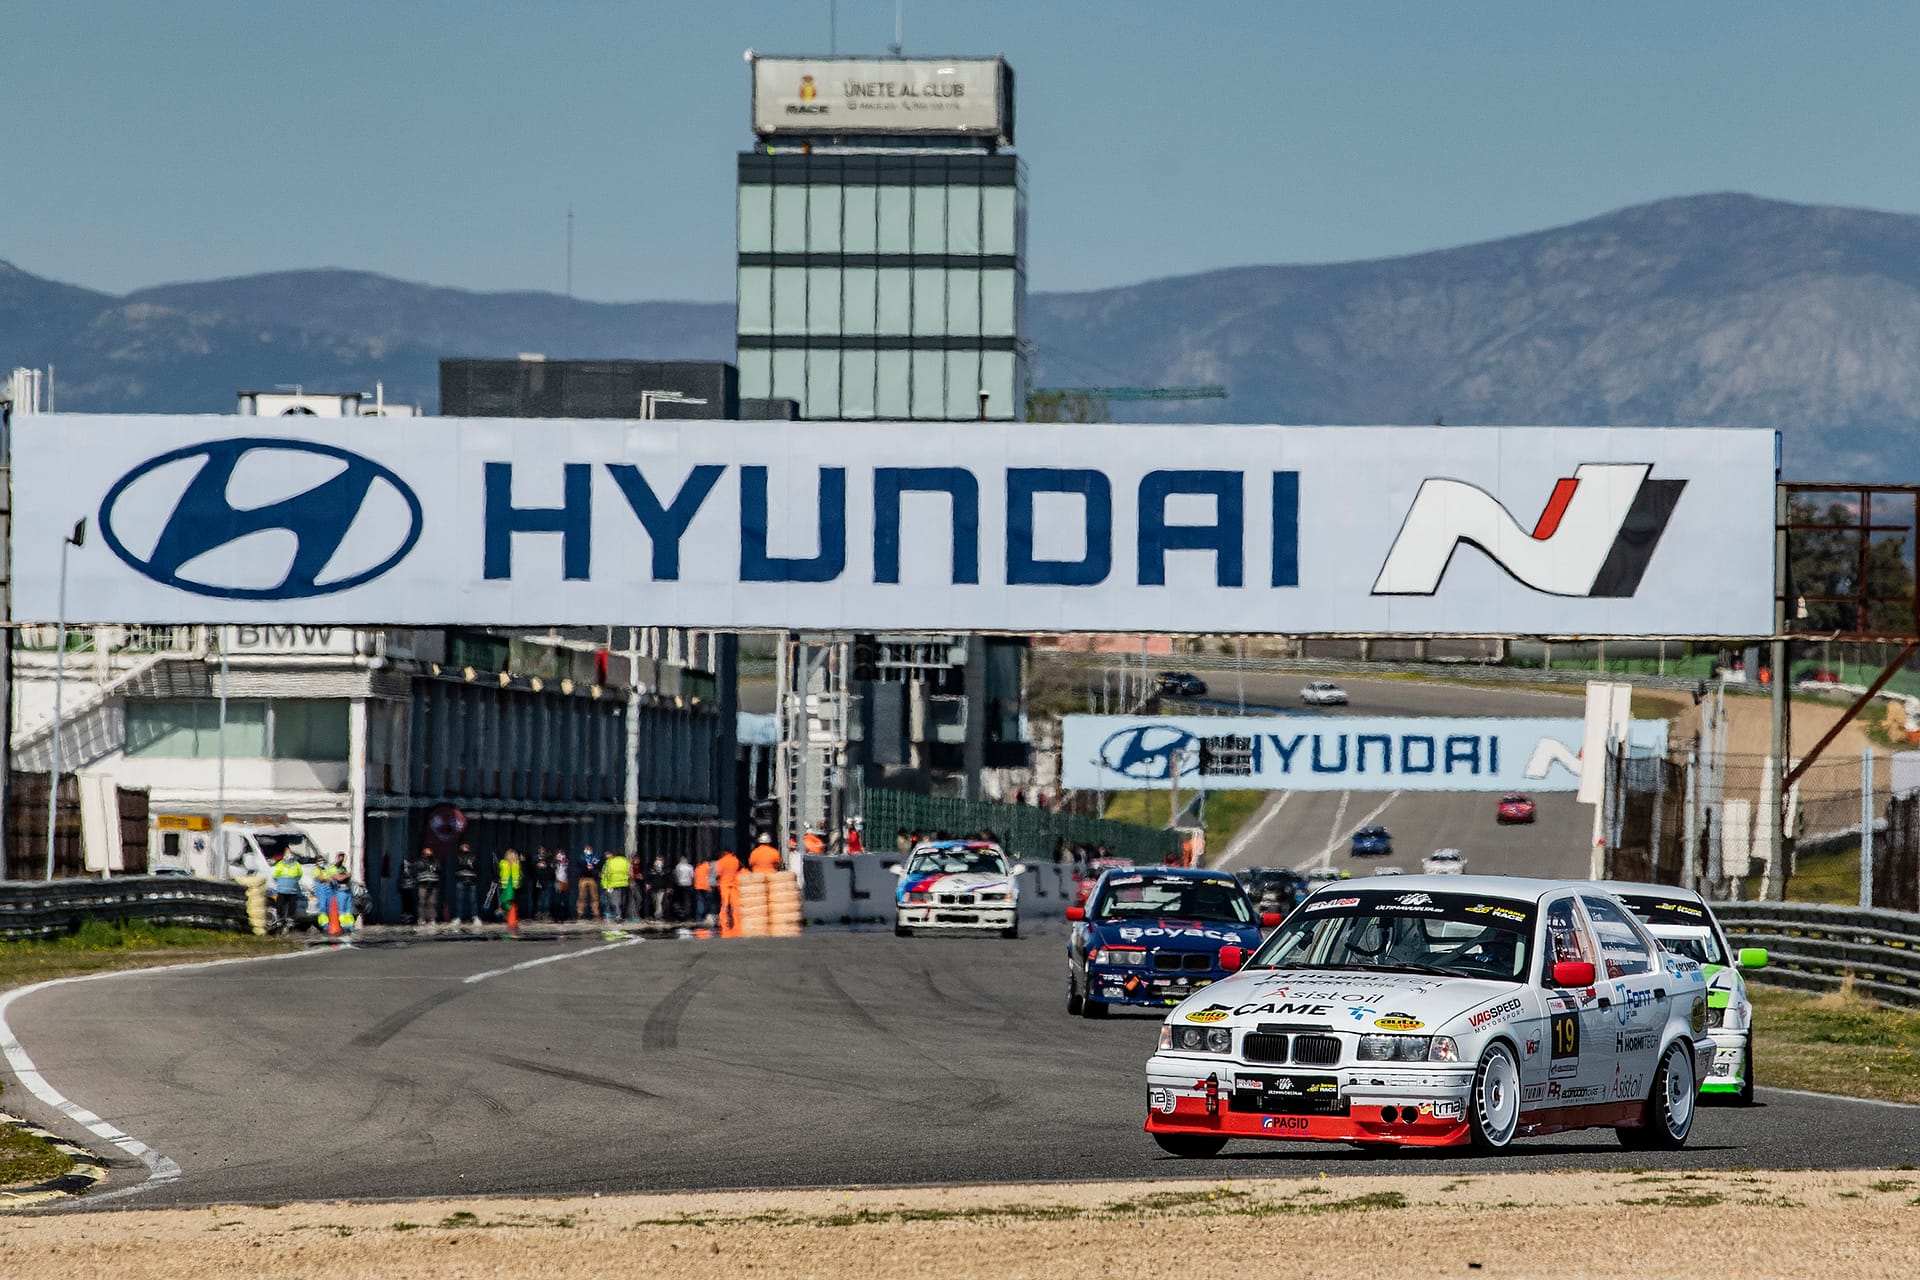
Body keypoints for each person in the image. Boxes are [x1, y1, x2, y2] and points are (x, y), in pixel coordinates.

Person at [270, 848, 305, 929]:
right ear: (284, 855)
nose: (289, 855)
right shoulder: (280, 864)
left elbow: (300, 875)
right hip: (282, 890)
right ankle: (280, 919)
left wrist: (293, 881)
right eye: (287, 853)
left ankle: (290, 919)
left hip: (293, 890)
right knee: (280, 905)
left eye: (290, 853)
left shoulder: (296, 864)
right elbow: (274, 876)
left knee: (292, 906)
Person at [451, 842, 482, 926]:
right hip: (461, 880)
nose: (466, 848)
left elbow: (476, 866)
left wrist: (467, 865)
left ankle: (475, 917)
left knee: (473, 900)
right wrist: (467, 865)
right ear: (461, 848)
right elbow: (458, 866)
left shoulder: (473, 857)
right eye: (464, 847)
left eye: (467, 847)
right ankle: (458, 918)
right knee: (459, 900)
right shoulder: (458, 857)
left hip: (472, 881)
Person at [715, 847, 743, 932]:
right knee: (735, 904)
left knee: (725, 904)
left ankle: (724, 922)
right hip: (734, 884)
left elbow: (718, 873)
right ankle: (737, 922)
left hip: (724, 884)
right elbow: (738, 869)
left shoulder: (721, 861)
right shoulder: (735, 860)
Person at [600, 848, 632, 921]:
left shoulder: (609, 861)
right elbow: (630, 872)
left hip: (613, 884)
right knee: (622, 901)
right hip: (624, 883)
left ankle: (618, 916)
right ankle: (621, 915)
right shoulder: (626, 861)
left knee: (615, 901)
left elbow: (605, 875)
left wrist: (605, 886)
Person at [414, 846, 441, 928]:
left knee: (432, 903)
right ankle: (422, 919)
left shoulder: (435, 861)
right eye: (426, 850)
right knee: (422, 902)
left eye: (430, 850)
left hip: (433, 884)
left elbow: (439, 870)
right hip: (423, 884)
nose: (428, 852)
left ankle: (432, 919)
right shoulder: (419, 862)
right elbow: (415, 871)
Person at [575, 843, 602, 921]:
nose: (588, 850)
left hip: (592, 879)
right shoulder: (581, 858)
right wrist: (584, 869)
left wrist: (594, 871)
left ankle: (596, 915)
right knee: (582, 897)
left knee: (595, 898)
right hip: (583, 879)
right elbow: (577, 868)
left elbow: (598, 867)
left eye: (589, 849)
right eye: (587, 849)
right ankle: (580, 915)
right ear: (584, 849)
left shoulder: (596, 857)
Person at [497, 849, 523, 922]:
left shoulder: (517, 864)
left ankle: (512, 915)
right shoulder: (503, 863)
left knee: (509, 900)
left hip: (512, 886)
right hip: (505, 885)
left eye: (513, 855)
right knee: (505, 900)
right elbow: (499, 872)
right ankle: (509, 915)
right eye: (510, 855)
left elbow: (520, 874)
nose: (511, 857)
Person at [530, 847, 554, 921]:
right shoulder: (535, 860)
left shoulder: (549, 859)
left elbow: (551, 870)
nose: (542, 852)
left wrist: (548, 866)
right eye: (541, 850)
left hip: (548, 881)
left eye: (543, 850)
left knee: (547, 899)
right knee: (540, 899)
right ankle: (538, 914)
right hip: (539, 882)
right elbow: (533, 870)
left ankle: (546, 914)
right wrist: (538, 865)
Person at [397, 849, 420, 925]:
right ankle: (407, 919)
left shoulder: (412, 864)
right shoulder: (407, 865)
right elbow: (406, 874)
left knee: (409, 904)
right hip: (407, 887)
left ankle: (408, 918)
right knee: (407, 904)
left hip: (409, 887)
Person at [647, 856, 672, 921]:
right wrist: (647, 884)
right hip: (653, 888)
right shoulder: (651, 869)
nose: (659, 861)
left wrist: (669, 887)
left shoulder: (666, 869)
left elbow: (669, 879)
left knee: (659, 902)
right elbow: (648, 878)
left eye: (660, 860)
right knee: (655, 902)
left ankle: (658, 916)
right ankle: (657, 914)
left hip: (662, 888)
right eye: (657, 860)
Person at [552, 849, 572, 922]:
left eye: (562, 854)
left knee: (563, 900)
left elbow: (568, 866)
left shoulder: (566, 861)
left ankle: (562, 917)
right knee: (558, 899)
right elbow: (553, 866)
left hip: (565, 881)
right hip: (558, 881)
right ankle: (556, 917)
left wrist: (564, 860)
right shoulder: (555, 862)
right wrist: (556, 860)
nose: (561, 856)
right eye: (559, 854)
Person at [673, 855, 695, 921]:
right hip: (688, 884)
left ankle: (680, 915)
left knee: (680, 900)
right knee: (687, 900)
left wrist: (676, 882)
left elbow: (676, 876)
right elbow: (692, 876)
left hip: (680, 885)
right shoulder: (690, 867)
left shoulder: (678, 866)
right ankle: (687, 915)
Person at [693, 855, 714, 923]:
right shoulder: (708, 866)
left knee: (700, 902)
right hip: (706, 887)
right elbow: (711, 877)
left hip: (698, 887)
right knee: (708, 902)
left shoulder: (698, 867)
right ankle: (707, 916)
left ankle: (698, 918)